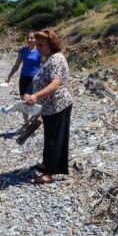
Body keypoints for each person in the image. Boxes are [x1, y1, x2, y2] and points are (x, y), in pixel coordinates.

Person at [24, 29, 73, 184]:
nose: (38, 47)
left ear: (51, 44)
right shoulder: (48, 58)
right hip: (49, 106)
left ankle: (49, 173)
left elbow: (56, 83)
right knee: (50, 137)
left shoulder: (56, 59)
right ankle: (48, 166)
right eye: (37, 45)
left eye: (41, 45)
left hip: (58, 104)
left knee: (54, 139)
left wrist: (36, 96)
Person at [5, 31, 41, 124]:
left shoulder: (39, 51)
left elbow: (44, 64)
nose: (29, 40)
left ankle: (34, 118)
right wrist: (9, 76)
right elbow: (17, 65)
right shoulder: (22, 51)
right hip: (23, 77)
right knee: (22, 101)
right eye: (28, 38)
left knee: (26, 99)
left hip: (33, 78)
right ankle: (26, 122)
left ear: (36, 39)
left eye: (32, 38)